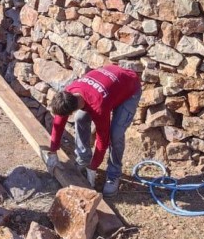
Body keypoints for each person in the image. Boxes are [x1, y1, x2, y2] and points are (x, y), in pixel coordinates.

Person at [44, 65, 142, 197]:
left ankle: (113, 174)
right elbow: (58, 123)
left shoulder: (98, 107)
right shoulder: (68, 93)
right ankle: (83, 159)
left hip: (129, 88)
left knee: (115, 134)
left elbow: (103, 140)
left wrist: (94, 167)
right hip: (111, 81)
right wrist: (53, 151)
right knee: (80, 118)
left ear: (73, 109)